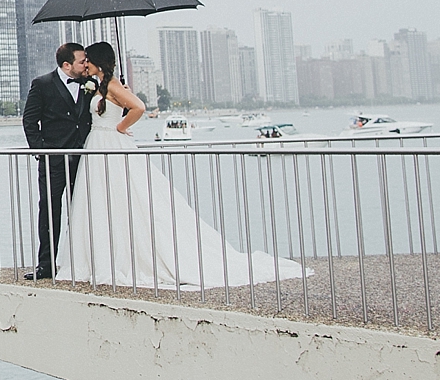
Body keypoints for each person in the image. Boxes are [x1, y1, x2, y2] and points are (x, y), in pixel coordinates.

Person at [57, 40, 308, 290]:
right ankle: (98, 256)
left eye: (88, 58)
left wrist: (120, 127)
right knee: (99, 201)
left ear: (98, 61)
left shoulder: (112, 85)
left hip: (110, 142)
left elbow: (139, 107)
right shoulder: (98, 86)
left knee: (124, 197)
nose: (85, 63)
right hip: (96, 145)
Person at [21, 42, 96, 281]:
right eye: (82, 61)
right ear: (67, 64)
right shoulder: (42, 84)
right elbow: (29, 121)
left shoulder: (90, 85)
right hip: (53, 160)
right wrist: (42, 151)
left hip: (84, 158)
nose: (86, 64)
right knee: (50, 210)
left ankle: (84, 263)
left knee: (84, 210)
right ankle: (46, 265)